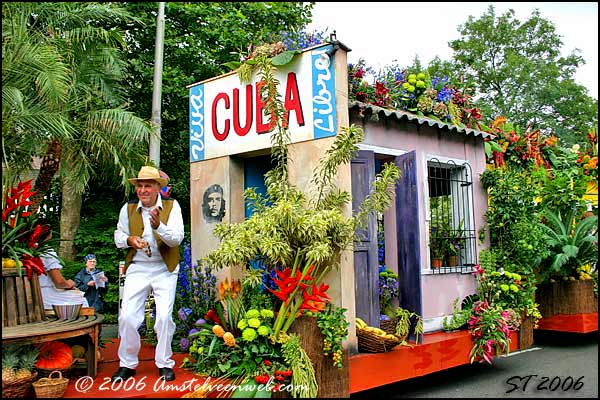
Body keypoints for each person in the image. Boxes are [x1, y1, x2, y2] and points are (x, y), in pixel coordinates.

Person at [112, 166, 184, 382]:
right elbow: (118, 234)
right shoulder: (127, 209)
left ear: (157, 189)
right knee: (127, 317)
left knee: (163, 318)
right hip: (138, 267)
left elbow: (176, 239)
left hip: (164, 269)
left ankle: (164, 363)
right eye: (139, 186)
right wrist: (129, 240)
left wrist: (158, 226)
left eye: (147, 186)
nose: (142, 190)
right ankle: (127, 364)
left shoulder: (172, 207)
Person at [38, 230, 89, 310]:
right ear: (49, 235)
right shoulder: (46, 252)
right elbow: (59, 283)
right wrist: (69, 284)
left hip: (31, 295)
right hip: (45, 296)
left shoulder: (23, 250)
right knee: (81, 299)